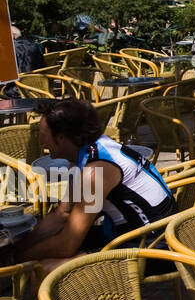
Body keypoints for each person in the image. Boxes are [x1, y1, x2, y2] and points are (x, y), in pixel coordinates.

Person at [14, 99, 176, 270]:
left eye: (42, 133)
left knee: (46, 271)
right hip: (131, 233)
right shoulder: (90, 150)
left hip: (154, 247)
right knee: (43, 252)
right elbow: (63, 212)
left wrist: (21, 257)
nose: (40, 141)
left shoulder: (96, 171)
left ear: (61, 137)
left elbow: (67, 245)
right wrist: (20, 246)